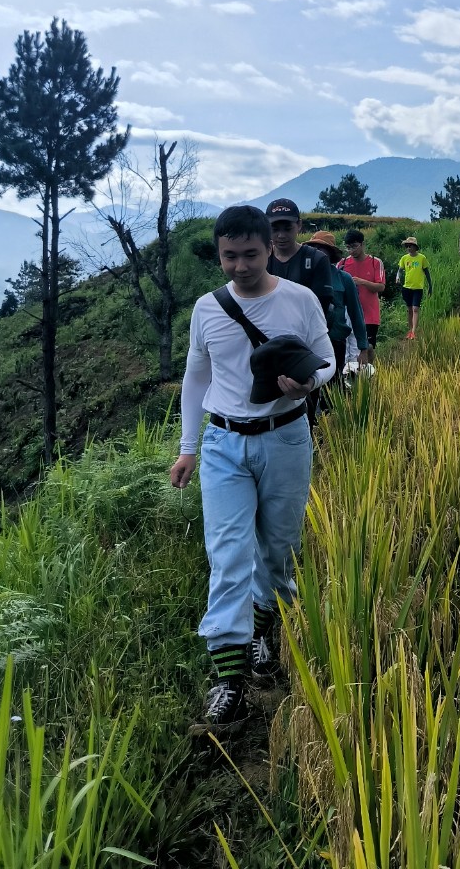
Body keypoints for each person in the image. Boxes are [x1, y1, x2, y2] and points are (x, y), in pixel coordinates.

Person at [170, 204, 335, 734]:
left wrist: (308, 383)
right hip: (223, 443)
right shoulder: (207, 309)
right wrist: (188, 448)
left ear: (269, 249)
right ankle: (230, 682)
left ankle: (265, 631)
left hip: (286, 438)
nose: (240, 266)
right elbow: (197, 377)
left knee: (278, 551)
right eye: (229, 256)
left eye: (250, 254)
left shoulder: (299, 300)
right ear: (219, 254)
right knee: (228, 555)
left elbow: (327, 359)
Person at [305, 231, 371, 385]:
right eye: (313, 248)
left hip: (335, 341)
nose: (316, 252)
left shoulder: (343, 278)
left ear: (329, 253)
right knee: (310, 385)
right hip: (308, 342)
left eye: (321, 249)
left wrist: (363, 348)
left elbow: (356, 314)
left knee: (334, 384)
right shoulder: (303, 277)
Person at [264, 198, 333, 315]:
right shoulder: (261, 260)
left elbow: (321, 306)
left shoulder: (317, 259)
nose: (281, 235)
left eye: (288, 229)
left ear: (299, 225)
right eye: (275, 230)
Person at [338, 229, 386, 356]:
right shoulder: (342, 263)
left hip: (369, 314)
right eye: (348, 247)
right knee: (348, 347)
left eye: (354, 246)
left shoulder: (375, 262)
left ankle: (369, 368)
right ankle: (351, 369)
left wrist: (361, 282)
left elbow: (381, 287)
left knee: (368, 347)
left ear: (362, 244)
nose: (351, 250)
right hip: (348, 314)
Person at [396, 236, 432, 340]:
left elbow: (427, 272)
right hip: (407, 287)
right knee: (409, 310)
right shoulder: (404, 258)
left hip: (418, 287)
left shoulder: (422, 258)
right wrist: (398, 277)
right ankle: (410, 329)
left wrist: (430, 286)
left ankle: (413, 331)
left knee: (415, 308)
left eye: (410, 246)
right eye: (407, 246)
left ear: (415, 247)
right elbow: (400, 270)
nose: (408, 248)